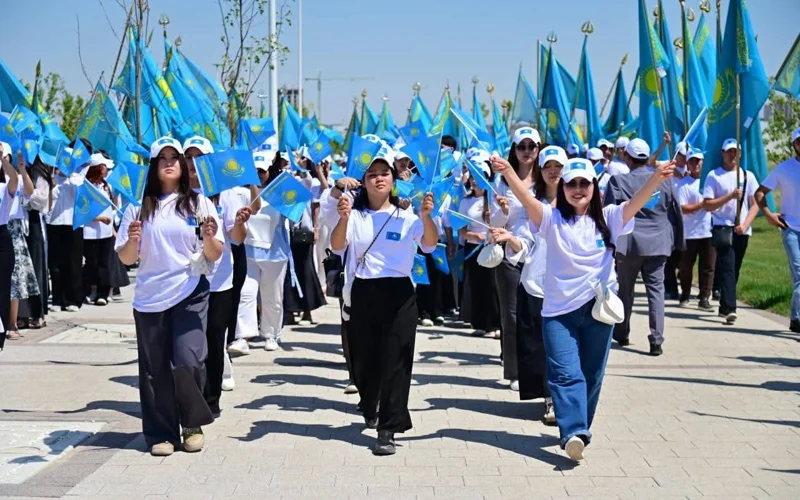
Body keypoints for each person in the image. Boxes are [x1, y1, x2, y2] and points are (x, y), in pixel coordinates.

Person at [491, 152, 674, 462]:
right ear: (562, 188)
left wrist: (656, 177)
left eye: (584, 183)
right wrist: (508, 170)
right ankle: (573, 431)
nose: (577, 189)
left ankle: (579, 427)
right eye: (571, 183)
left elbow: (637, 202)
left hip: (598, 313)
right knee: (564, 374)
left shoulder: (612, 218)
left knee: (591, 375)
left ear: (594, 188)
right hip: (558, 315)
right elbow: (525, 197)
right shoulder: (550, 219)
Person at [324, 147, 438, 456]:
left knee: (396, 362)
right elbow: (337, 246)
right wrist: (343, 218)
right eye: (372, 174)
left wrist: (427, 217)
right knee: (364, 360)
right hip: (364, 291)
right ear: (363, 180)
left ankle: (388, 428)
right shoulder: (355, 213)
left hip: (399, 294)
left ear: (393, 178)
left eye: (384, 174)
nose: (378, 179)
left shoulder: (406, 214)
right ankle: (369, 401)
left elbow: (428, 244)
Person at [115, 137, 224, 456]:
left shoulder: (199, 203)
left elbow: (215, 253)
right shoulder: (137, 206)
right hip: (150, 298)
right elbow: (125, 258)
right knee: (155, 370)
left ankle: (191, 423)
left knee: (188, 360)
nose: (169, 162)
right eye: (161, 158)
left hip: (190, 291)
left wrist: (208, 237)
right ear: (153, 166)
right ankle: (161, 433)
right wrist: (132, 240)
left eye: (174, 157)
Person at [183, 136, 254, 417]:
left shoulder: (227, 194)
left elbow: (235, 239)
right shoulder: (176, 196)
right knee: (189, 343)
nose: (192, 164)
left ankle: (210, 400)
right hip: (185, 282)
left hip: (220, 281)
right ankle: (189, 396)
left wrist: (239, 224)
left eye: (199, 158)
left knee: (214, 342)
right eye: (188, 157)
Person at [504, 145, 567, 426]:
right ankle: (550, 398)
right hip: (537, 285)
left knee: (564, 348)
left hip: (570, 289)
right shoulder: (532, 206)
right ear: (541, 171)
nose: (553, 171)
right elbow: (522, 243)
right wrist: (509, 239)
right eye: (548, 166)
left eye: (559, 166)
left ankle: (566, 396)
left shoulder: (578, 202)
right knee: (541, 347)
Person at [604, 138, 684, 356]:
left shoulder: (617, 181)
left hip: (628, 245)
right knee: (656, 292)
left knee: (625, 290)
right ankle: (656, 339)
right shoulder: (664, 180)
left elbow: (608, 213)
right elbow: (675, 210)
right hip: (658, 243)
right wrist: (679, 240)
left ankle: (622, 331)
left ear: (627, 157)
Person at [491, 126, 541, 391]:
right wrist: (503, 211)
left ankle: (537, 368)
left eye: (531, 146)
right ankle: (514, 369)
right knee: (511, 314)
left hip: (541, 255)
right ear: (513, 149)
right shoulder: (501, 182)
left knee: (538, 314)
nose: (526, 152)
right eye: (520, 146)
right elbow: (494, 222)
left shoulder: (546, 179)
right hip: (510, 255)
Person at [229, 152, 291, 354]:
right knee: (246, 294)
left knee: (272, 297)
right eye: (254, 171)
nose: (258, 175)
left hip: (275, 253)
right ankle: (243, 336)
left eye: (261, 171)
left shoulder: (280, 190)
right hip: (248, 252)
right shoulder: (240, 192)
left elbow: (295, 213)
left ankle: (271, 334)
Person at [702, 138, 759, 325]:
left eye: (735, 151)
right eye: (729, 151)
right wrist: (730, 196)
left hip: (741, 229)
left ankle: (725, 304)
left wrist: (746, 224)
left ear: (739, 154)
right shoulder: (714, 176)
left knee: (734, 269)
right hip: (722, 227)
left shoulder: (747, 176)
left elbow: (755, 203)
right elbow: (708, 204)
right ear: (722, 153)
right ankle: (731, 309)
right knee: (727, 266)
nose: (732, 155)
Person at [755, 127, 800, 333]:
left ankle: (796, 318)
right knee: (799, 272)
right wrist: (769, 215)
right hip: (790, 227)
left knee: (798, 277)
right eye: (799, 141)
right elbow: (759, 193)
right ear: (794, 145)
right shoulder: (784, 169)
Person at [457, 153, 500, 337]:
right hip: (472, 248)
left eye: (479, 177)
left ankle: (494, 324)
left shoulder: (493, 199)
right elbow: (461, 228)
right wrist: (474, 235)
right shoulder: (465, 201)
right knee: (476, 285)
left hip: (490, 247)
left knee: (493, 286)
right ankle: (480, 323)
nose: (474, 181)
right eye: (472, 177)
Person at [48, 141, 89, 312]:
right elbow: (53, 195)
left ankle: (73, 299)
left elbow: (78, 191)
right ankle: (58, 298)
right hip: (55, 221)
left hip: (74, 223)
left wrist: (71, 172)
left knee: (73, 262)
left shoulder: (82, 173)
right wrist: (57, 176)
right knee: (56, 263)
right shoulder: (57, 174)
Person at [676, 150, 715, 311]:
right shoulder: (683, 184)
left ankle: (704, 297)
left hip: (709, 231)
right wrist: (703, 204)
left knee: (708, 267)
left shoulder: (708, 181)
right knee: (686, 267)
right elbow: (683, 208)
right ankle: (685, 293)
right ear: (688, 164)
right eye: (692, 161)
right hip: (690, 232)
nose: (696, 164)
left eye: (698, 161)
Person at [5, 151, 38, 340]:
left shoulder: (16, 178)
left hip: (13, 231)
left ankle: (12, 323)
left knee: (15, 281)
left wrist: (23, 171)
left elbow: (30, 191)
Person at [18, 157, 52, 329]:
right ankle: (20, 313)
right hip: (14, 222)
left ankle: (37, 312)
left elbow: (40, 201)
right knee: (19, 271)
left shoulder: (39, 172)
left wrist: (24, 176)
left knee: (36, 268)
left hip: (33, 222)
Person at [82, 154, 118, 307]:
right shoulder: (85, 186)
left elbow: (112, 207)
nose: (106, 169)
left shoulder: (107, 186)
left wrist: (112, 227)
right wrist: (99, 219)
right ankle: (91, 290)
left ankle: (104, 293)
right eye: (104, 166)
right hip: (89, 232)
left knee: (104, 263)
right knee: (92, 263)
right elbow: (83, 210)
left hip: (106, 232)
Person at [0, 144, 21, 350]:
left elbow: (14, 180)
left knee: (2, 289)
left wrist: (3, 160)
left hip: (1, 239)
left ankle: (1, 331)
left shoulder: (5, 186)